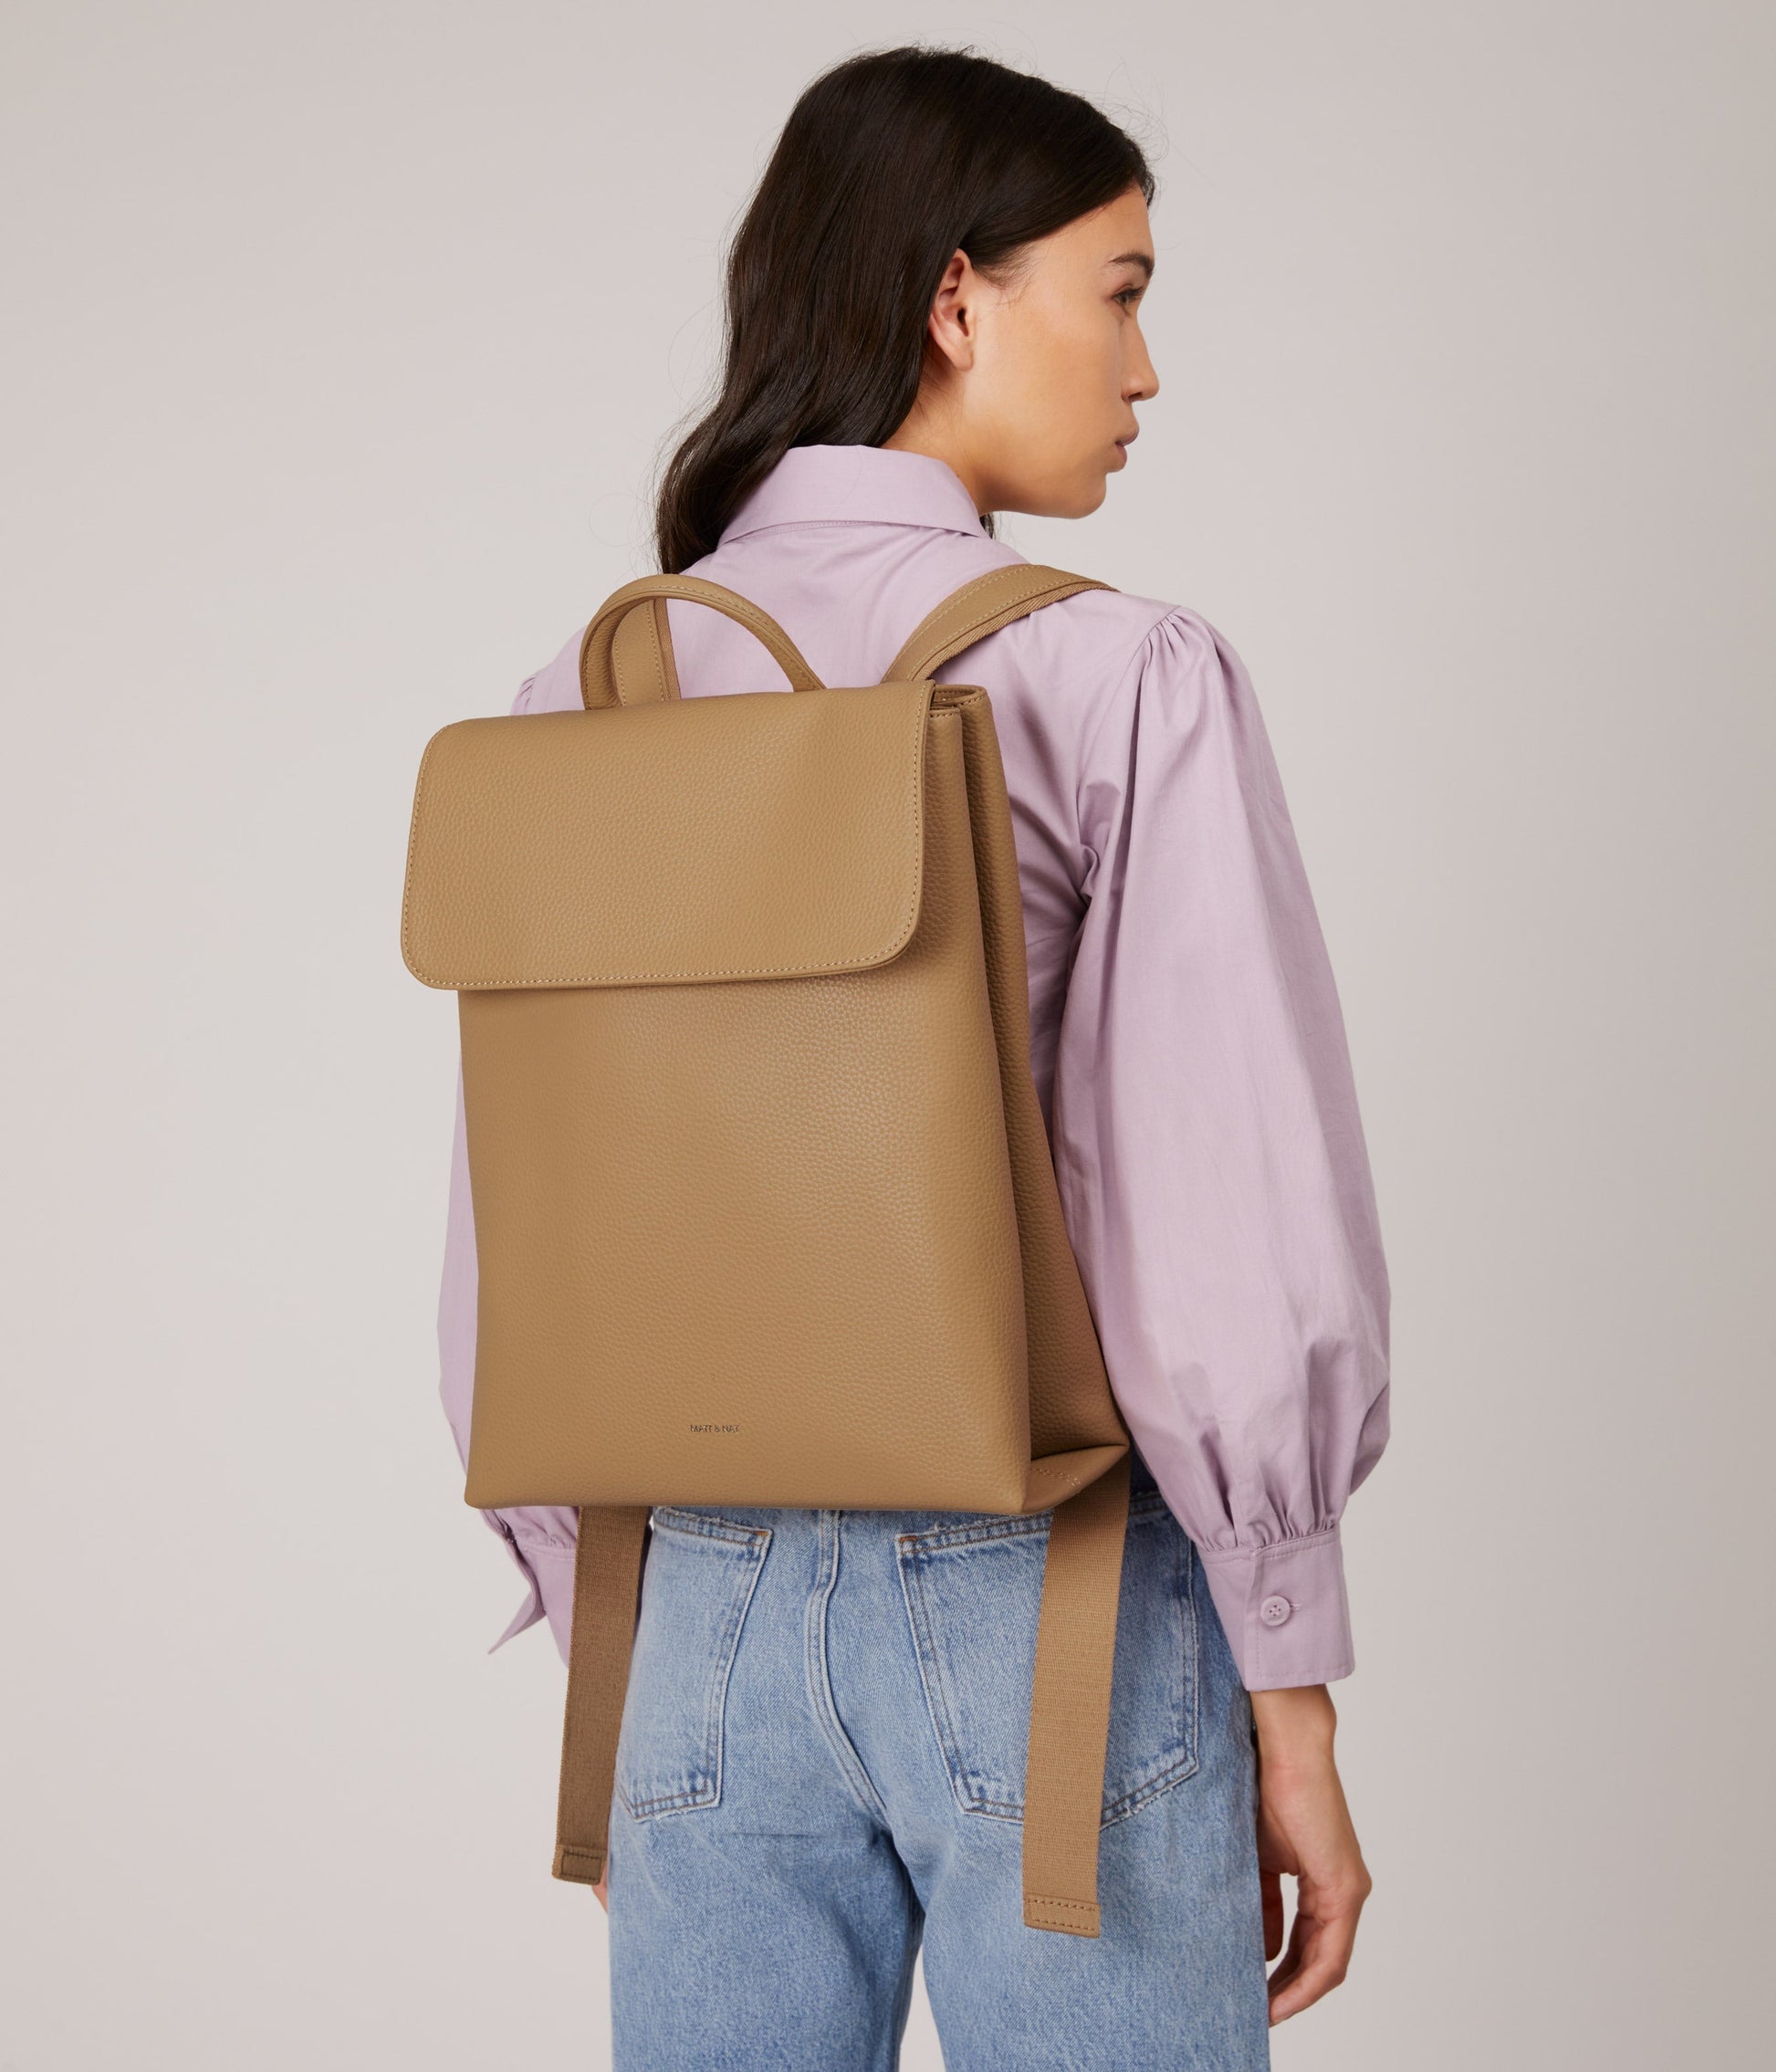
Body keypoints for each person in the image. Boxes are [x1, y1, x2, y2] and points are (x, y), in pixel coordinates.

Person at [437, 44, 1390, 2072]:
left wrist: (616, 1644)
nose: (1145, 370)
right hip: (1043, 1602)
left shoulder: (576, 698)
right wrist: (1289, 1686)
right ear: (958, 297)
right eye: (1119, 292)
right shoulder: (1120, 672)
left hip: (686, 1611)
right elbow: (1217, 1222)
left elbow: (517, 1230)